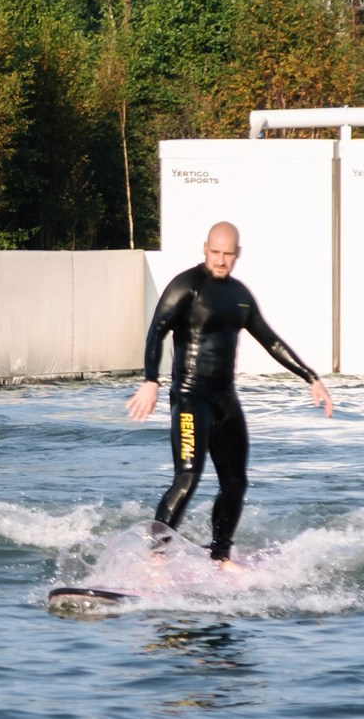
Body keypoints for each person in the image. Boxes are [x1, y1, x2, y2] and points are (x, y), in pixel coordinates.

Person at [126, 221, 333, 567]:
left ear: (238, 254)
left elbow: (271, 340)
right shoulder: (186, 285)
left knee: (236, 481)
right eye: (215, 252)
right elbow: (157, 331)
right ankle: (156, 558)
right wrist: (151, 380)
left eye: (228, 254)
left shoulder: (239, 295)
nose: (221, 260)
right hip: (191, 398)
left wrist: (310, 377)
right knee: (188, 477)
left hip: (225, 400)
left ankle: (220, 555)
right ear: (205, 248)